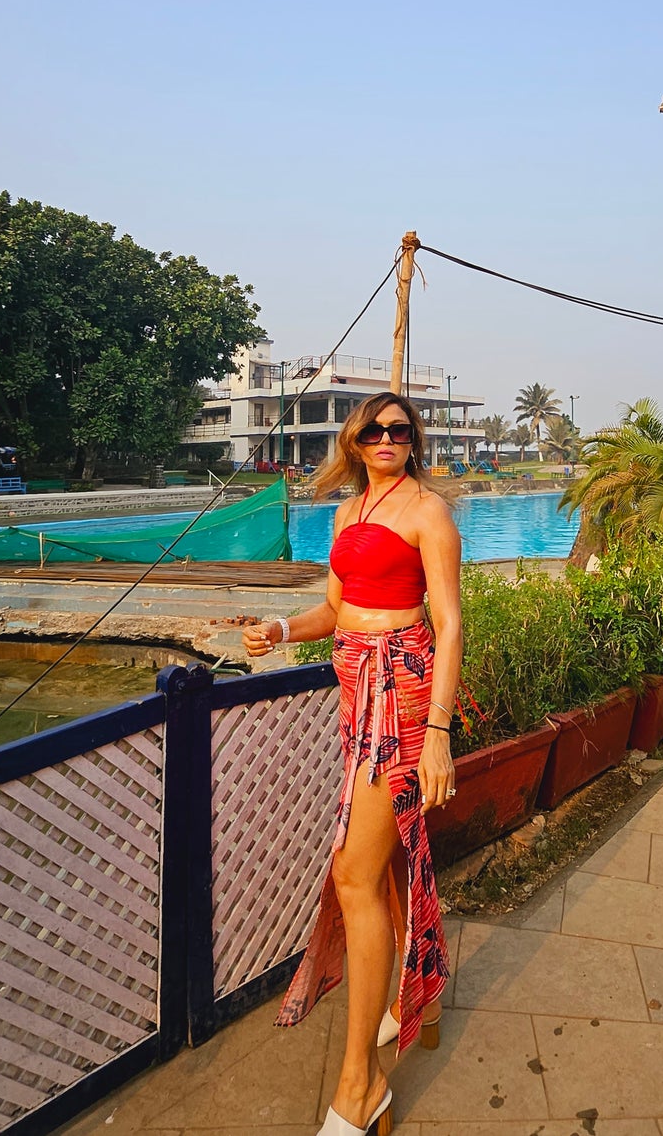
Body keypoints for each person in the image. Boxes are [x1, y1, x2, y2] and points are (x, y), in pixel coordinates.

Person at [242, 392, 462, 1136]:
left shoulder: (426, 511)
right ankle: (411, 1000)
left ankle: (360, 1083)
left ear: (413, 439)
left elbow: (450, 622)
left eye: (400, 429)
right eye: (374, 429)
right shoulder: (347, 514)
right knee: (387, 863)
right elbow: (335, 610)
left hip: (399, 698)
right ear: (355, 438)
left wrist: (436, 730)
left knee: (353, 872)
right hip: (352, 695)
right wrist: (280, 627)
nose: (386, 438)